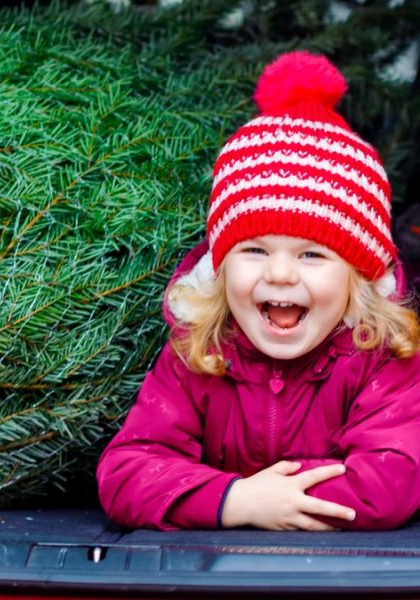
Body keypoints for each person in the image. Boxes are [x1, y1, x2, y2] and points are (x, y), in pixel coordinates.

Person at [96, 51, 420, 532]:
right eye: (254, 250)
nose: (282, 274)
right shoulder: (201, 352)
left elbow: (393, 477)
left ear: (357, 277)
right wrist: (236, 500)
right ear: (220, 269)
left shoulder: (381, 355)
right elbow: (127, 471)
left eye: (312, 254)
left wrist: (281, 496)